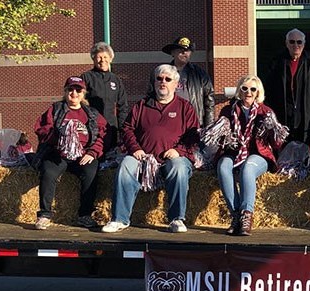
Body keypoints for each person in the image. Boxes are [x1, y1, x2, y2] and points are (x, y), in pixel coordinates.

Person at [102, 65, 199, 234]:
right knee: (125, 166)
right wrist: (135, 149)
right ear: (154, 82)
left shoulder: (185, 108)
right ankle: (119, 219)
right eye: (159, 78)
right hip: (143, 157)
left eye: (168, 79)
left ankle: (176, 219)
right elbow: (127, 129)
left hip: (174, 157)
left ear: (176, 84)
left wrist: (179, 151)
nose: (163, 82)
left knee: (178, 169)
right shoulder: (141, 105)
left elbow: (194, 136)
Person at [33, 76, 107, 230]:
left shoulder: (92, 113)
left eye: (78, 90)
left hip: (83, 154)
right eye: (70, 89)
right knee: (48, 172)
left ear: (83, 93)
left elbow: (104, 134)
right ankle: (45, 214)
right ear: (65, 92)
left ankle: (84, 215)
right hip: (58, 154)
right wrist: (59, 137)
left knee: (91, 172)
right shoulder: (56, 109)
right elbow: (40, 129)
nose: (74, 93)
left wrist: (93, 152)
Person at [216, 75, 286, 236]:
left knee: (247, 169)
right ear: (239, 91)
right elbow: (218, 139)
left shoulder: (265, 112)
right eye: (244, 88)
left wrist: (272, 129)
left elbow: (277, 144)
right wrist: (225, 135)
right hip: (235, 152)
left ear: (257, 92)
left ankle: (247, 215)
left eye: (252, 89)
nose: (248, 92)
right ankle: (236, 216)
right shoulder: (228, 110)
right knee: (222, 166)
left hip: (258, 154)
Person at [264, 28, 310, 143]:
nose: (295, 45)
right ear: (286, 43)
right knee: (283, 157)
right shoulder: (277, 62)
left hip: (306, 119)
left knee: (304, 155)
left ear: (304, 43)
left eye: (299, 42)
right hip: (282, 119)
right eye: (292, 42)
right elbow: (269, 91)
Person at [81, 42, 129, 152]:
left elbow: (123, 107)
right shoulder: (86, 77)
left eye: (105, 57)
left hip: (111, 127)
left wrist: (122, 129)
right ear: (93, 59)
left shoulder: (116, 80)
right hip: (92, 127)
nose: (102, 60)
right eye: (99, 57)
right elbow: (80, 102)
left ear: (111, 59)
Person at [160, 37, 215, 127]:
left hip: (193, 123)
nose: (184, 53)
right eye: (181, 50)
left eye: (187, 50)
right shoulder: (162, 74)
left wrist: (209, 127)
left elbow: (209, 102)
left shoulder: (200, 75)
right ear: (172, 53)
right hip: (168, 122)